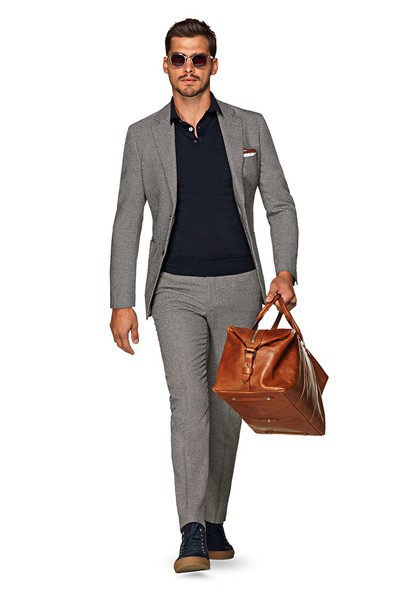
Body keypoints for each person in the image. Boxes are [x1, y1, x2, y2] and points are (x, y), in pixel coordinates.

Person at [109, 18, 299, 573]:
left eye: (198, 58)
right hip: (175, 289)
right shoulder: (142, 135)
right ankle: (191, 528)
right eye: (179, 58)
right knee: (187, 404)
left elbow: (280, 204)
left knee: (224, 408)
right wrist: (122, 299)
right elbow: (127, 220)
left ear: (214, 64)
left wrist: (284, 272)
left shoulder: (249, 126)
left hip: (241, 285)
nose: (188, 68)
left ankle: (214, 520)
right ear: (165, 65)